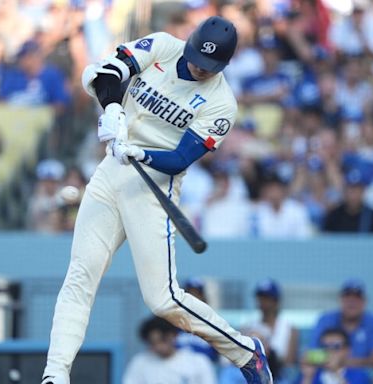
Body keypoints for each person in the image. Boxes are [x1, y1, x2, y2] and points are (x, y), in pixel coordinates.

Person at [41, 16, 273, 384]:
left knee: (162, 299)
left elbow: (182, 158)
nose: (199, 67)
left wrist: (140, 152)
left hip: (154, 187)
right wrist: (114, 109)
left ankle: (245, 351)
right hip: (108, 175)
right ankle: (55, 375)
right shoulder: (165, 46)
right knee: (80, 277)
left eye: (210, 65)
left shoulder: (221, 103)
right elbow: (108, 74)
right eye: (198, 57)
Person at [309, 279, 373, 368]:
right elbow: (312, 354)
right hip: (327, 373)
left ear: (365, 301)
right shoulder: (325, 320)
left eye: (357, 297)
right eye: (347, 297)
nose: (352, 302)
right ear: (340, 300)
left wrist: (339, 362)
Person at [123, 316, 217, 384]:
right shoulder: (139, 363)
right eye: (153, 343)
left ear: (173, 336)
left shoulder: (198, 362)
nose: (159, 347)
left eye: (162, 340)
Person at [243, 279, 299, 373]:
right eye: (260, 298)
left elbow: (290, 364)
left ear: (275, 301)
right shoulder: (249, 327)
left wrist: (270, 354)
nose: (262, 302)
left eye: (266, 298)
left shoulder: (289, 328)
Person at [298, 328, 372, 384]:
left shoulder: (360, 375)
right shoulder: (309, 373)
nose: (330, 351)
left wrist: (336, 372)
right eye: (325, 346)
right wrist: (307, 378)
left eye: (336, 346)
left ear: (347, 351)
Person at [323, 168, 373, 233]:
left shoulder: (371, 216)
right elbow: (326, 239)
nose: (353, 195)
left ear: (363, 191)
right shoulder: (334, 216)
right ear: (344, 191)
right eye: (350, 190)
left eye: (357, 190)